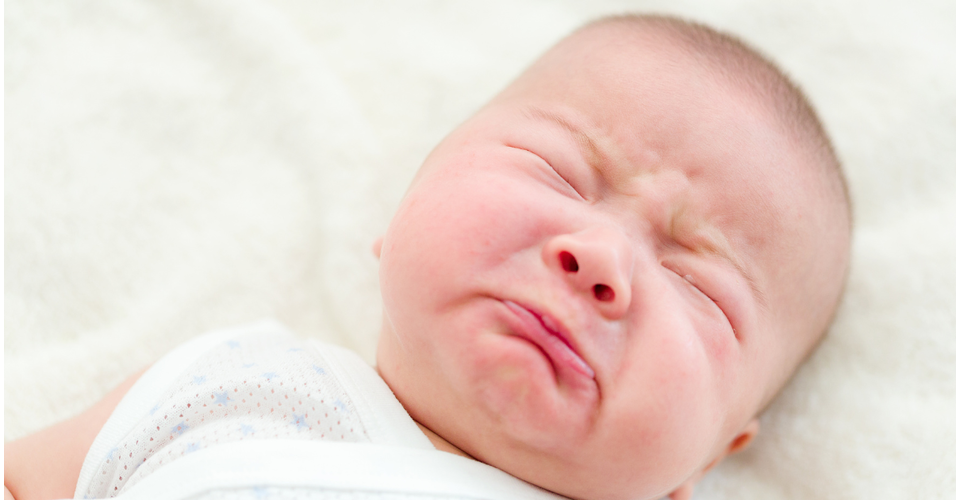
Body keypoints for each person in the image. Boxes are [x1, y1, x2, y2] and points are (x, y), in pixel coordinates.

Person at [4, 14, 851, 500]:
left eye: (696, 285)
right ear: (399, 218)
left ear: (705, 458)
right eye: (559, 172)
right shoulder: (231, 380)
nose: (603, 262)